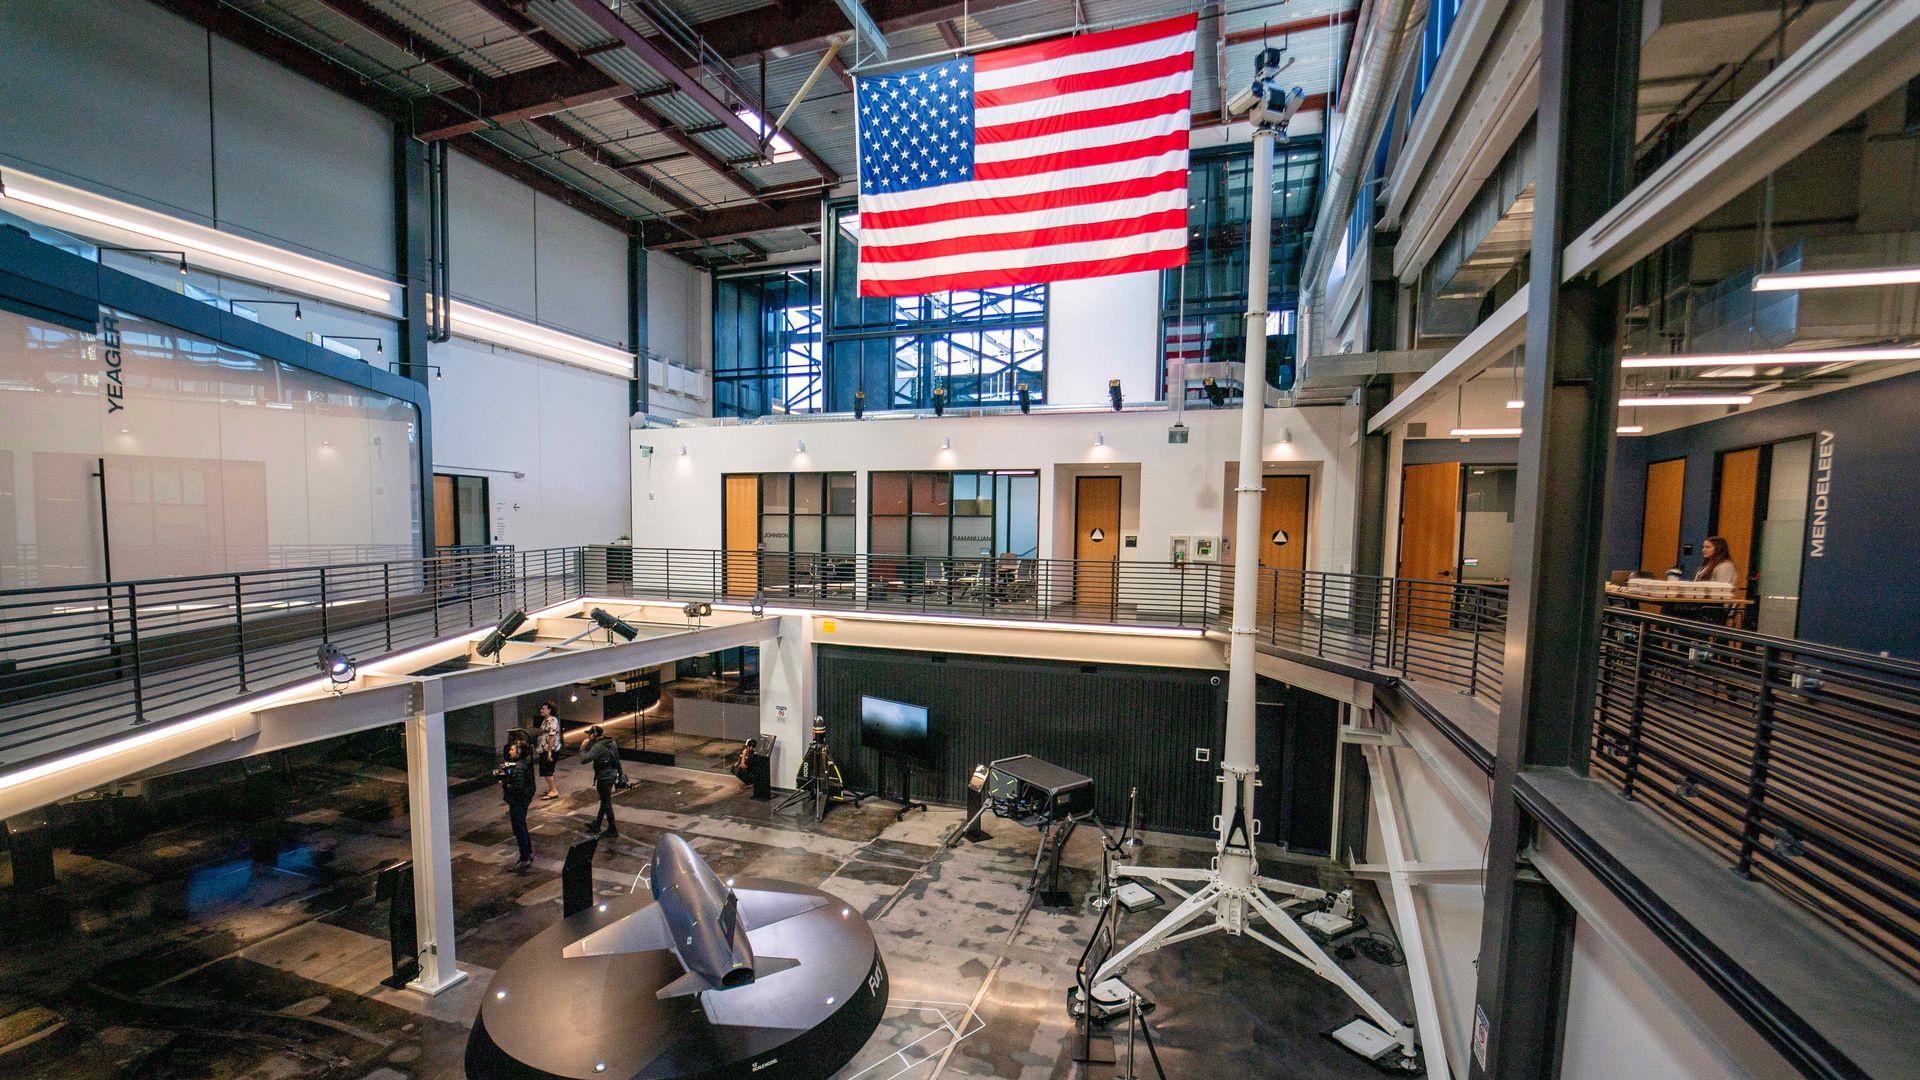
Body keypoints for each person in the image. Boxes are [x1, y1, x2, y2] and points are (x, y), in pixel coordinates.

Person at [494, 739, 537, 872]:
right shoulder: (525, 764)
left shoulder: (519, 767)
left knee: (519, 828)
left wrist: (505, 784)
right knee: (522, 826)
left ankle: (524, 857)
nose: (510, 751)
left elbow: (517, 787)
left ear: (519, 752)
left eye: (513, 749)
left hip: (518, 801)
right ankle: (528, 852)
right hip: (522, 800)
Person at [580, 725, 621, 838]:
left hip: (604, 777)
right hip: (612, 774)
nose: (588, 736)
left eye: (589, 734)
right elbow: (617, 760)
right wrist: (620, 774)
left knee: (606, 802)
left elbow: (583, 759)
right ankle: (597, 824)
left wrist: (583, 747)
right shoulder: (612, 743)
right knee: (605, 800)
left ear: (594, 735)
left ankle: (612, 829)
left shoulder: (598, 747)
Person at [536, 702, 563, 800]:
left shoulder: (552, 721)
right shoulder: (545, 720)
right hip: (544, 749)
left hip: (549, 750)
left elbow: (552, 737)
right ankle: (551, 789)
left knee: (547, 770)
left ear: (549, 710)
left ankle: (553, 790)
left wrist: (549, 752)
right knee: (547, 770)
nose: (541, 710)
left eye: (544, 709)